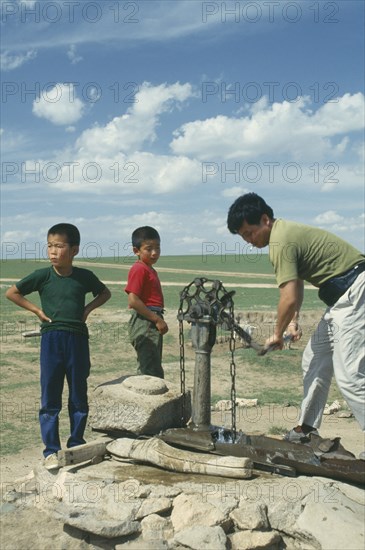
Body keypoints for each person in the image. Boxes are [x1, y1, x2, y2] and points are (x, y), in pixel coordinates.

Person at [227, 193, 365, 456]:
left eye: (249, 232)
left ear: (265, 219)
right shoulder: (284, 234)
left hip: (356, 293)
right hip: (341, 300)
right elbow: (297, 285)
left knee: (350, 375)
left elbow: (288, 297)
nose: (248, 240)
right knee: (314, 358)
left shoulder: (281, 241)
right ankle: (306, 429)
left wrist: (277, 334)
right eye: (243, 236)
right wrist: (293, 322)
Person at [5, 223, 111, 469]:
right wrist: (37, 311)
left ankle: (76, 444)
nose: (53, 251)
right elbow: (12, 293)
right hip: (51, 339)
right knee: (50, 396)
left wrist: (86, 310)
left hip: (77, 339)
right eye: (50, 245)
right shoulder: (43, 275)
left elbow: (104, 294)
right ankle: (51, 451)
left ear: (74, 250)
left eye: (59, 246)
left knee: (78, 394)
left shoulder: (84, 276)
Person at [125, 226, 168, 379]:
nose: (154, 253)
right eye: (149, 249)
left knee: (151, 364)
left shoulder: (149, 269)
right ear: (136, 251)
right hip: (146, 321)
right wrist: (156, 319)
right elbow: (133, 300)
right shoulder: (139, 269)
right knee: (150, 371)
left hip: (149, 318)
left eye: (157, 247)